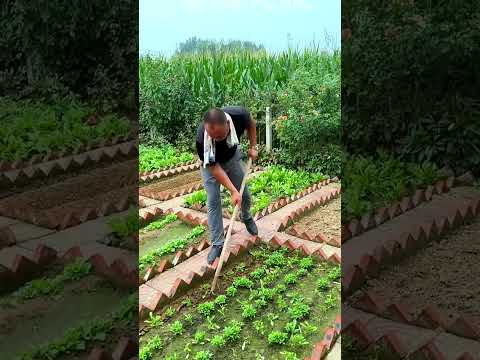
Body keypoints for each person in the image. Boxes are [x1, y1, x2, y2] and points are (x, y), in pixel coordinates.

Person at [195, 106, 259, 264]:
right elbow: (215, 168)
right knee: (213, 200)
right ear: (206, 127)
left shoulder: (239, 115)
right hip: (211, 166)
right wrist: (232, 191)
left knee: (244, 195)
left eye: (220, 135)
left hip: (231, 157)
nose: (216, 139)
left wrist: (253, 146)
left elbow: (251, 123)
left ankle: (246, 216)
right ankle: (217, 243)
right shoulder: (202, 139)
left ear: (228, 125)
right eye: (213, 136)